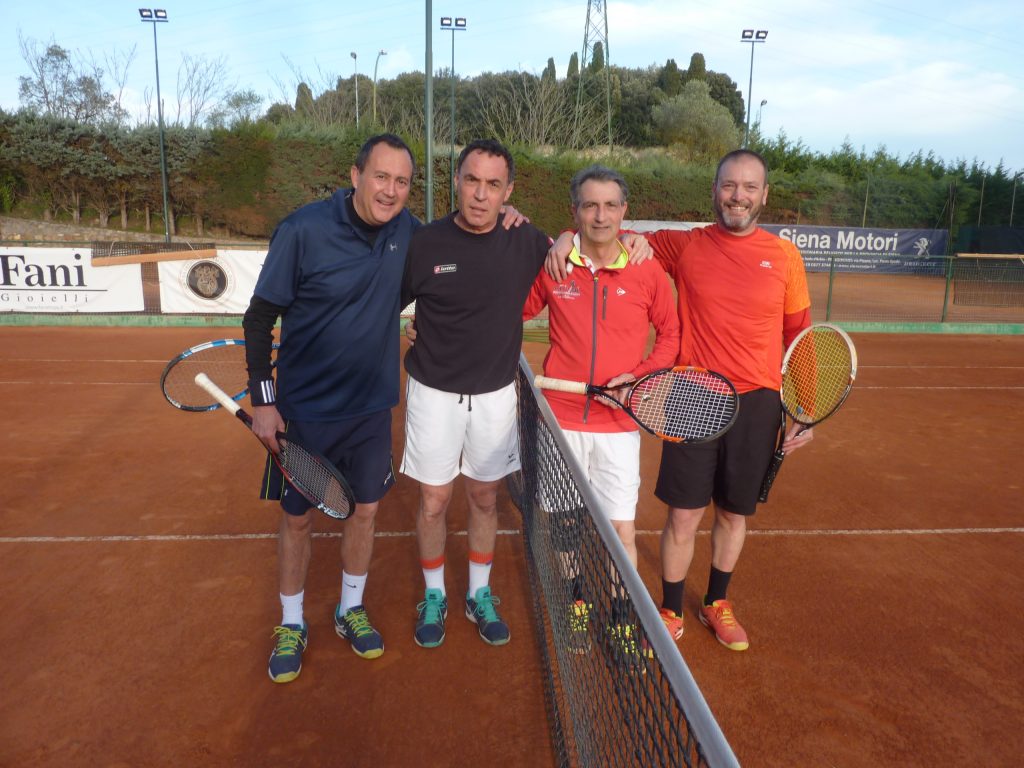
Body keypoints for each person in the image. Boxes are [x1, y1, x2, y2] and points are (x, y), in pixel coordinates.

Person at [242, 133, 526, 683]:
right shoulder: (302, 230)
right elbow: (259, 319)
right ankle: (292, 621)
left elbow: (461, 249)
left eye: (402, 181)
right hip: (304, 410)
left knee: (365, 512)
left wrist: (507, 212)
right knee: (298, 521)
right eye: (380, 176)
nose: (390, 190)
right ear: (355, 175)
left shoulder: (410, 235)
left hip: (371, 406)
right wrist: (264, 400)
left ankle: (351, 610)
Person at [548, 148, 813, 652]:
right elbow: (606, 234)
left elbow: (798, 335)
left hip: (759, 402)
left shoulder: (784, 256)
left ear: (764, 195)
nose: (738, 196)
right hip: (693, 396)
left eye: (749, 187)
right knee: (684, 515)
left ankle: (716, 601)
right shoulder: (684, 245)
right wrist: (566, 235)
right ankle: (670, 609)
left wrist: (802, 409)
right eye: (729, 185)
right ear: (714, 190)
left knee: (734, 515)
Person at [399, 139, 554, 649]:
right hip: (432, 392)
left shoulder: (526, 239)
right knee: (434, 500)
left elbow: (581, 251)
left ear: (507, 192)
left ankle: (479, 594)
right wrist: (406, 327)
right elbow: (386, 301)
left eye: (493, 185)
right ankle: (435, 594)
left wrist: (621, 240)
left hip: (494, 396)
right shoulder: (424, 242)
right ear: (456, 182)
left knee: (484, 498)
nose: (480, 194)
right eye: (472, 180)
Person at [522, 164, 680, 655]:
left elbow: (671, 335)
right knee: (566, 521)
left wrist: (641, 375)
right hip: (561, 417)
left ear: (624, 212)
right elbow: (511, 313)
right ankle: (575, 602)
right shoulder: (557, 265)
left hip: (617, 422)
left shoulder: (646, 269)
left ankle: (619, 615)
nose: (601, 215)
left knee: (620, 528)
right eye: (590, 205)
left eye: (611, 205)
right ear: (575, 211)